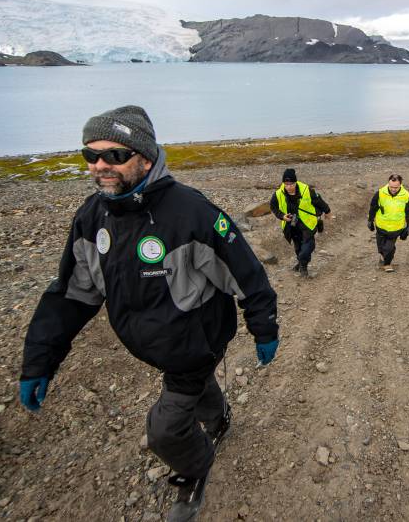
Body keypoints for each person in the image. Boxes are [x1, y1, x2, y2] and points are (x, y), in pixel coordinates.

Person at [18, 105, 279, 521]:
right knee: (196, 387)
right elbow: (72, 296)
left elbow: (245, 274)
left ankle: (195, 466)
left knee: (164, 430)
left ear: (145, 157)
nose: (100, 165)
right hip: (156, 344)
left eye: (115, 155)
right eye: (91, 155)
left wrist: (263, 327)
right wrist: (40, 359)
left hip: (197, 342)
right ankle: (220, 416)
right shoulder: (91, 218)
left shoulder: (190, 213)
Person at [269, 168, 330, 278]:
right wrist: (282, 216)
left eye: (291, 184)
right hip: (291, 225)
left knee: (308, 245)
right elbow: (273, 207)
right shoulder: (278, 194)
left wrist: (327, 211)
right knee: (298, 247)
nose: (289, 187)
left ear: (295, 182)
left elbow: (318, 201)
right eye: (286, 184)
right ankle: (301, 262)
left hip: (308, 223)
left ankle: (303, 266)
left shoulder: (306, 190)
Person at [367, 174, 409, 272]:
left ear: (400, 184)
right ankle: (382, 256)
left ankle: (387, 264)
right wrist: (370, 220)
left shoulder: (406, 195)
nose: (393, 189)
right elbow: (373, 207)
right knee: (381, 246)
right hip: (381, 225)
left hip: (396, 227)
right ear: (388, 183)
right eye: (391, 187)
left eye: (396, 187)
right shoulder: (380, 193)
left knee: (389, 247)